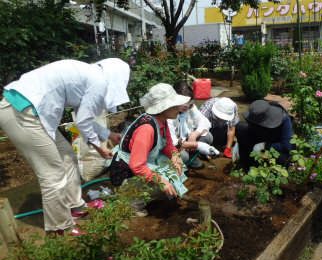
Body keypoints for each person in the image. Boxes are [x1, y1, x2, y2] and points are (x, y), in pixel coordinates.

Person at [0, 58, 131, 234]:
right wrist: (100, 148)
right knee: (53, 174)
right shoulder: (98, 81)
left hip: (28, 110)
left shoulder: (88, 76)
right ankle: (60, 228)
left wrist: (108, 135)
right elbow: (83, 121)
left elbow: (83, 117)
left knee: (67, 156)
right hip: (21, 112)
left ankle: (75, 205)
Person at [108, 83, 189, 216]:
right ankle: (133, 203)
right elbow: (137, 166)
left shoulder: (162, 121)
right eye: (174, 105)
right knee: (166, 183)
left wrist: (175, 155)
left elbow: (168, 143)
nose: (178, 108)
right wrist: (162, 181)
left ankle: (154, 193)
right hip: (126, 173)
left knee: (176, 170)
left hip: (139, 164)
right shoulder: (147, 129)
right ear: (164, 108)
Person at [168, 81, 216, 169]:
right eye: (183, 102)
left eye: (189, 102)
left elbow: (204, 122)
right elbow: (173, 142)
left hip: (186, 141)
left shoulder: (190, 107)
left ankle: (191, 159)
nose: (186, 106)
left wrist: (194, 135)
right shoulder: (169, 114)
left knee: (208, 136)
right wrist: (194, 144)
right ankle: (177, 167)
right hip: (173, 145)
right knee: (183, 156)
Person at [236, 100, 293, 171]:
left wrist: (265, 145)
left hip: (274, 146)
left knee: (282, 158)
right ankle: (245, 167)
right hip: (259, 139)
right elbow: (249, 131)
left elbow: (287, 146)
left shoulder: (284, 119)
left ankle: (272, 173)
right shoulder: (255, 116)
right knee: (241, 127)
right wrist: (240, 144)